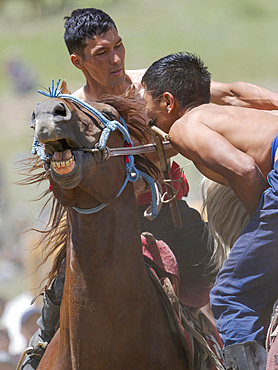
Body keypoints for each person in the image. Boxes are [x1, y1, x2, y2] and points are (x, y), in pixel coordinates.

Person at [20, 8, 278, 369]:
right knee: (64, 282)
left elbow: (234, 94)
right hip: (104, 221)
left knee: (218, 276)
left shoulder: (147, 88)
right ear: (78, 61)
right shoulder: (77, 112)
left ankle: (217, 353)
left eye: (118, 46)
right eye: (102, 53)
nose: (116, 59)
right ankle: (36, 352)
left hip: (166, 214)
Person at [141, 51, 278, 369]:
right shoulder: (224, 112)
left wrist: (261, 228)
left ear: (167, 102)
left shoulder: (184, 127)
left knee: (230, 292)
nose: (147, 119)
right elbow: (239, 90)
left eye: (147, 108)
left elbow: (244, 171)